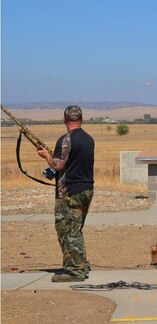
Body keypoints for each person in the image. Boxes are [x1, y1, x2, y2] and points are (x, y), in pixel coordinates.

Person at [37, 105, 95, 282]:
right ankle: (80, 264)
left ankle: (74, 271)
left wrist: (46, 155)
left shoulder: (65, 140)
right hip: (86, 189)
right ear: (81, 119)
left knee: (67, 231)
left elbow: (58, 165)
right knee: (75, 230)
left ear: (64, 119)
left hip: (69, 192)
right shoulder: (88, 139)